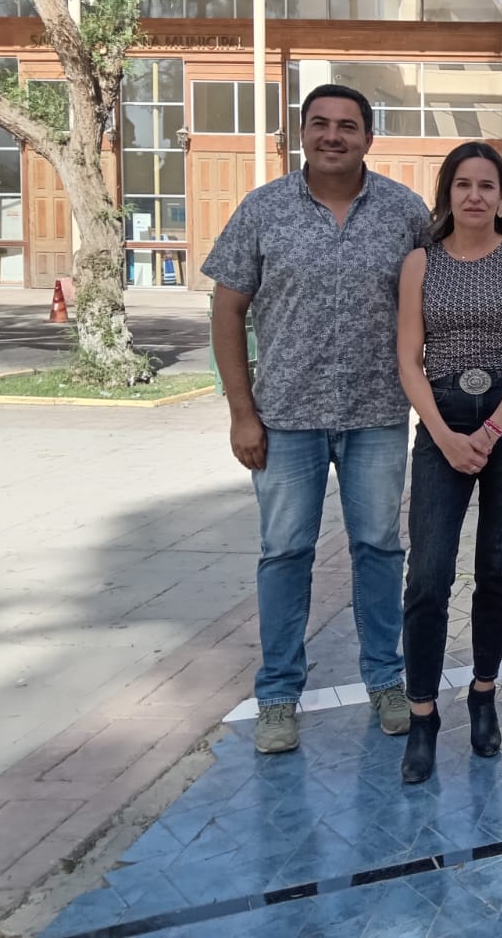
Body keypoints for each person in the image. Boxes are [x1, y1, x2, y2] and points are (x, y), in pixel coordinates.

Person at [203, 84, 430, 755]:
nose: (334, 135)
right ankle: (278, 694)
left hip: (376, 414)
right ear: (301, 132)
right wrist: (241, 413)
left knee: (379, 549)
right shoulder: (263, 209)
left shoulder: (405, 212)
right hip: (284, 417)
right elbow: (226, 310)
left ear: (369, 137)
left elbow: (436, 298)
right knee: (284, 552)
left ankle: (385, 680)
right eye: (321, 123)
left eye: (348, 126)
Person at [397, 142, 502, 783]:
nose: (475, 196)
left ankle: (483, 693)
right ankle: (423, 713)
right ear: (447, 193)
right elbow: (409, 359)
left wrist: (489, 431)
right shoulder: (419, 263)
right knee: (429, 573)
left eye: (488, 185)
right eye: (463, 184)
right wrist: (444, 434)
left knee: (497, 567)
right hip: (441, 420)